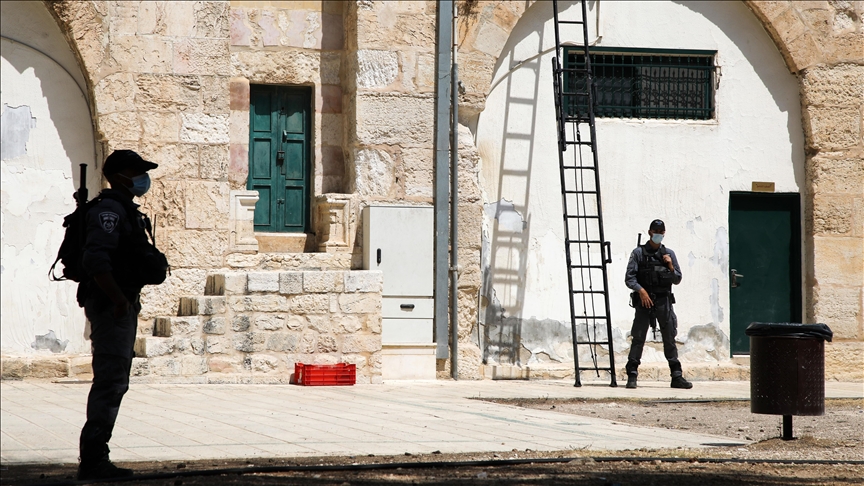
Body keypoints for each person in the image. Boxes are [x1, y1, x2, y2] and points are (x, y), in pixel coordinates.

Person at [77, 150, 160, 480]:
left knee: (115, 381)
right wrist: (118, 300)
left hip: (120, 303)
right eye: (136, 172)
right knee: (110, 382)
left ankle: (96, 457)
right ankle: (94, 459)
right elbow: (96, 260)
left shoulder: (123, 209)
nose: (142, 178)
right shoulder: (110, 211)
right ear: (119, 176)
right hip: (113, 307)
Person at [623, 219, 692, 390]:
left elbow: (677, 279)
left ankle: (676, 376)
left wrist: (669, 265)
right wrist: (642, 291)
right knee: (638, 337)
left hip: (663, 301)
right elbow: (629, 278)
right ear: (649, 232)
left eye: (661, 232)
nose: (658, 235)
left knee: (669, 337)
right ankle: (632, 374)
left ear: (664, 233)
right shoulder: (638, 253)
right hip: (644, 302)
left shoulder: (668, 253)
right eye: (655, 231)